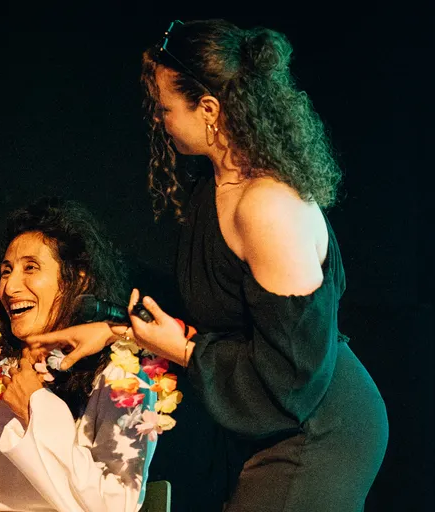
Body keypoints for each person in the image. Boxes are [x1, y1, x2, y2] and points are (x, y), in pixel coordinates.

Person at [29, 19, 389, 511]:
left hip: (316, 424)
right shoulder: (213, 187)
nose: (159, 120)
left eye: (166, 108)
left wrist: (180, 349)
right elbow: (225, 325)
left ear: (210, 109)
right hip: (275, 422)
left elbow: (291, 374)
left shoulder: (267, 207)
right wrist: (117, 334)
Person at [0, 197, 174, 512]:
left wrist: (34, 407)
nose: (10, 287)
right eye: (6, 271)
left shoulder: (120, 379)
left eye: (30, 268)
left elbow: (112, 507)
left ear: (79, 277)